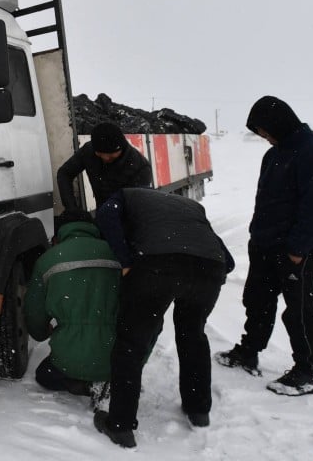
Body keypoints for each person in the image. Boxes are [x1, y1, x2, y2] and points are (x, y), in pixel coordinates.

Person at [215, 96, 313, 397]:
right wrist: (257, 237)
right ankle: (249, 350)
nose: (263, 137)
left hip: (300, 249)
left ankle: (307, 371)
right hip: (266, 245)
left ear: (279, 124)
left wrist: (297, 250)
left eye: (264, 130)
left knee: (298, 310)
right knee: (257, 300)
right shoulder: (275, 154)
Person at [92, 187, 234, 449]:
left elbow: (106, 215)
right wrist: (210, 272)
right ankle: (198, 409)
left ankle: (120, 425)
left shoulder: (122, 196)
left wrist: (125, 259)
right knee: (193, 335)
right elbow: (225, 255)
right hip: (209, 267)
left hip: (158, 265)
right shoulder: (189, 206)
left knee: (131, 344)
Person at [23, 210, 121, 407]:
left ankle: (84, 386)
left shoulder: (48, 260)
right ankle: (107, 381)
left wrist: (42, 332)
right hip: (118, 355)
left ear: (59, 234)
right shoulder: (117, 252)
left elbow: (33, 314)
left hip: (69, 358)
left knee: (45, 375)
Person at [56, 122, 152, 211]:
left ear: (121, 148)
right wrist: (71, 208)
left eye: (111, 154)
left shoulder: (141, 167)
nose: (105, 158)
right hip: (101, 213)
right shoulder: (88, 151)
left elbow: (138, 208)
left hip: (127, 219)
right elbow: (64, 173)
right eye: (100, 153)